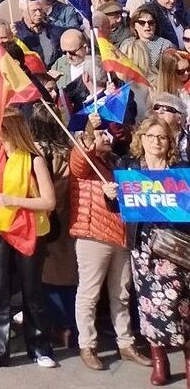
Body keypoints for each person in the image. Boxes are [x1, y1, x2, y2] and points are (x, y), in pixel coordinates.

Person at [0, 105, 59, 371]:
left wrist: (14, 201)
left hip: (30, 230)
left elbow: (49, 201)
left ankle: (40, 347)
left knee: (32, 290)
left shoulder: (34, 159)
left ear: (9, 129)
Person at [110, 111, 189, 385]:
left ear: (170, 143)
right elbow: (120, 208)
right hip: (144, 250)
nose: (157, 142)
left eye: (163, 138)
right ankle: (159, 360)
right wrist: (112, 197)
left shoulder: (181, 170)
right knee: (149, 307)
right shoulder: (129, 167)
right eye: (151, 137)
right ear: (141, 139)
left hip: (175, 248)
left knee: (181, 307)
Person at [69, 116, 132, 371]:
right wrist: (89, 131)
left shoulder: (114, 161)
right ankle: (88, 345)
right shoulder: (85, 163)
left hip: (120, 234)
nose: (107, 138)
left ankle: (126, 343)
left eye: (107, 134)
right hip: (93, 233)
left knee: (122, 294)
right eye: (101, 134)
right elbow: (78, 158)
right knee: (89, 294)